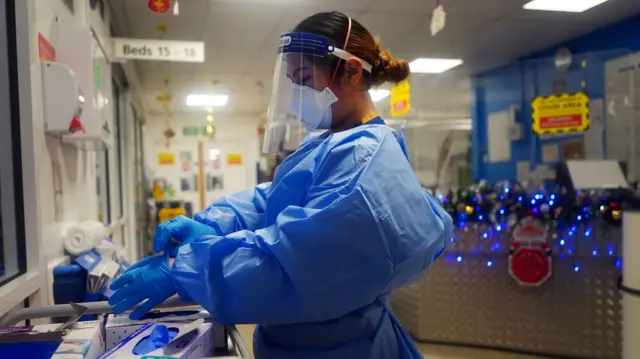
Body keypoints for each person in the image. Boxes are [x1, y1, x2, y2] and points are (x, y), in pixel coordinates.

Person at [108, 11, 453, 359]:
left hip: (340, 347)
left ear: (349, 71)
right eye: (292, 82)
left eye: (304, 79)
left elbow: (292, 265)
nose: (294, 98)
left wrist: (184, 269)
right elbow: (273, 200)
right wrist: (212, 224)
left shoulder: (363, 158)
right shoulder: (332, 142)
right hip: (301, 340)